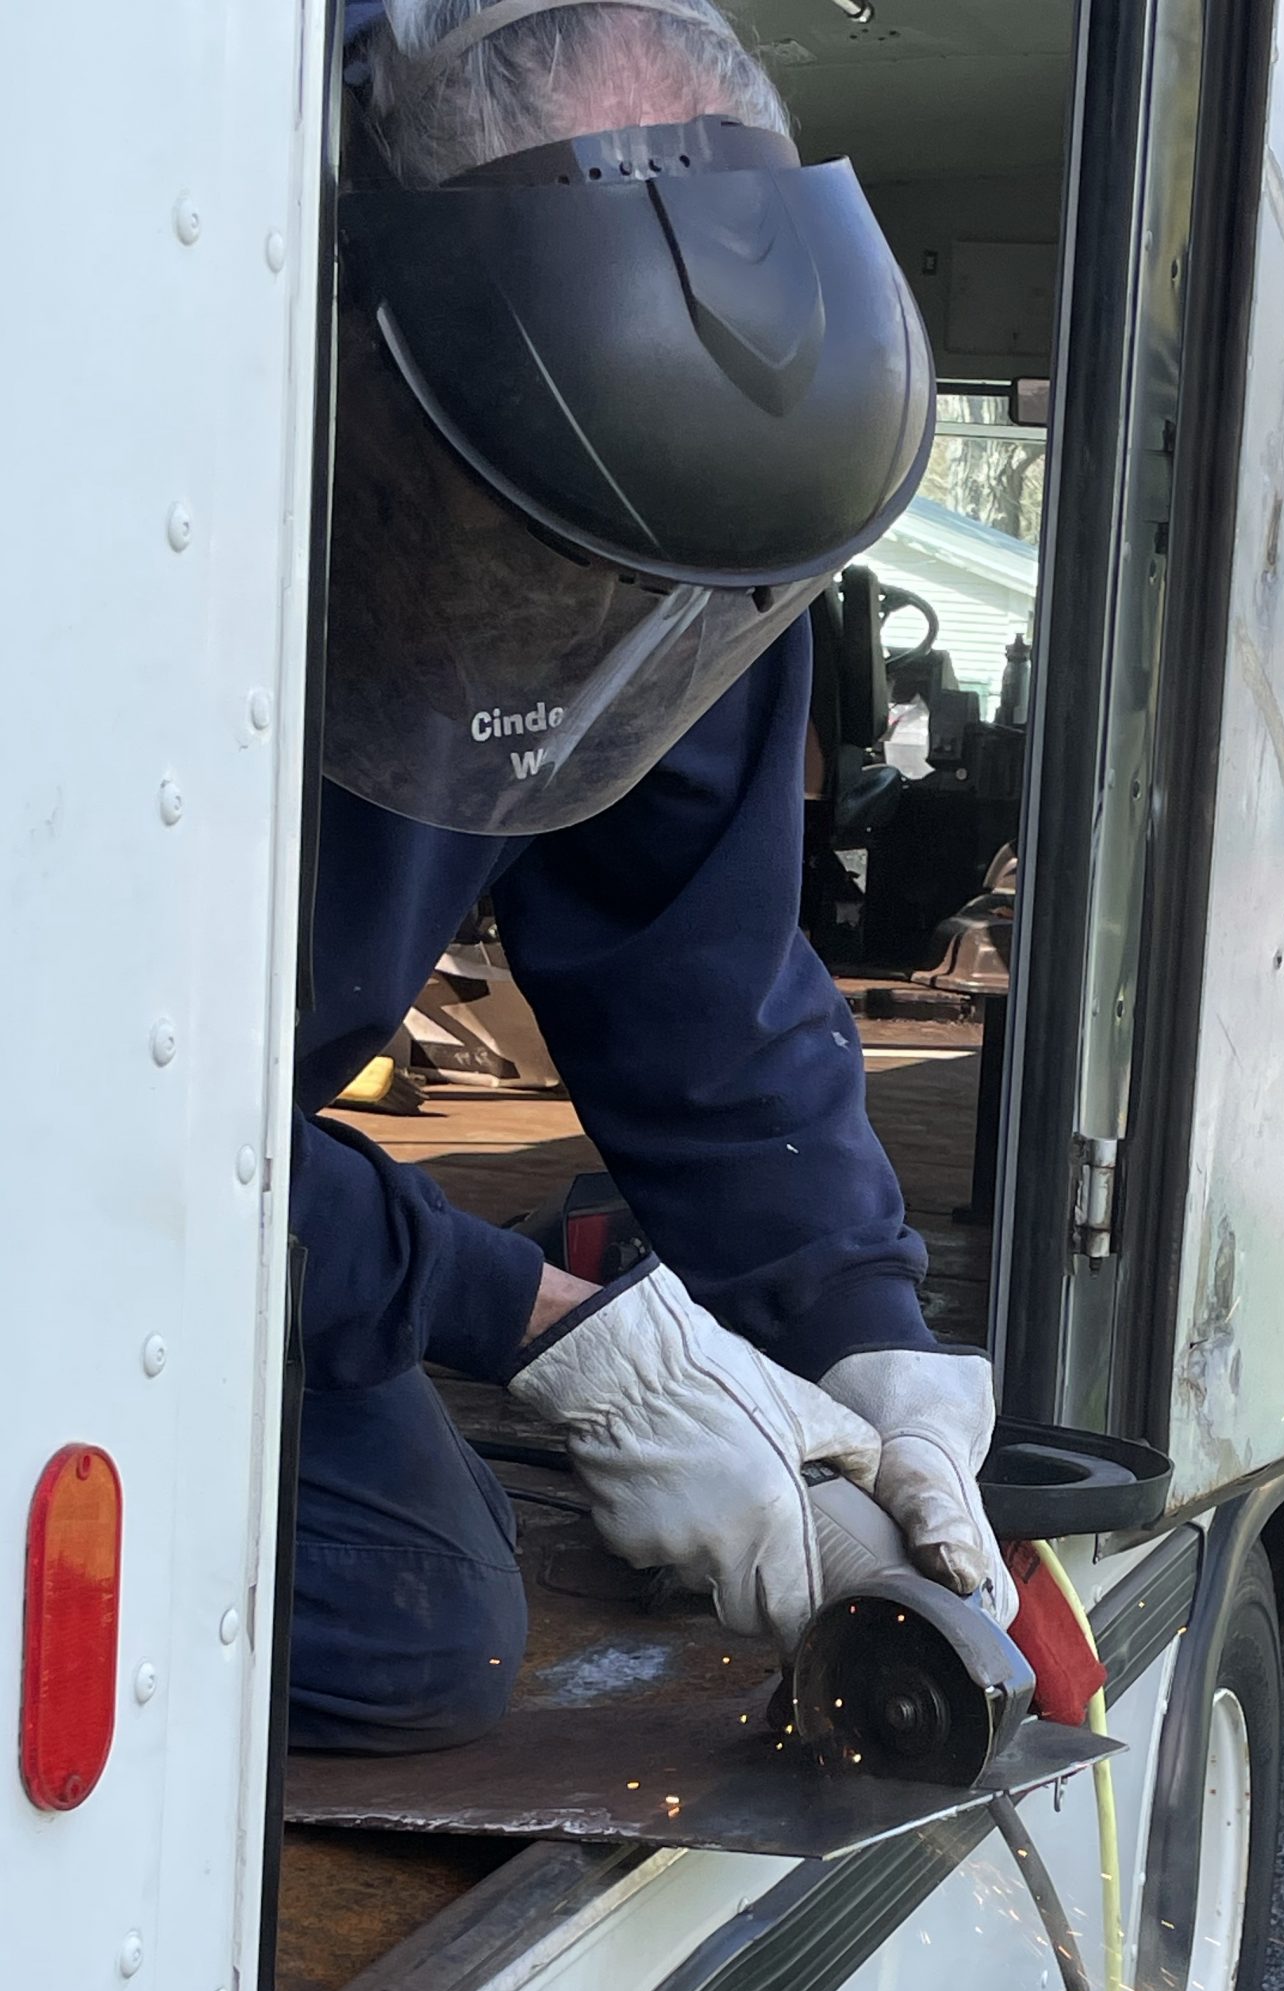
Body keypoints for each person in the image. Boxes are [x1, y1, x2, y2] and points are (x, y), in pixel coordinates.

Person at [292, 0, 1011, 1753]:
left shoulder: (687, 499)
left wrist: (861, 1328)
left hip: (243, 1160)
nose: (587, 633)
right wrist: (534, 1320)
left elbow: (696, 984)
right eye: (545, 570)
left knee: (414, 1621)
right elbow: (73, 1089)